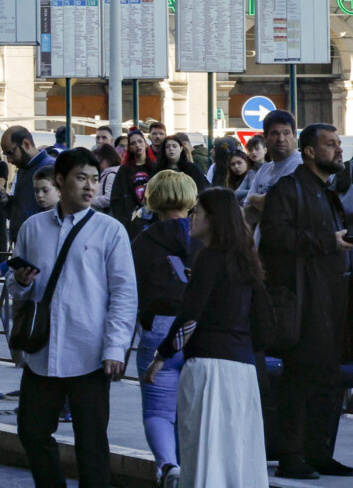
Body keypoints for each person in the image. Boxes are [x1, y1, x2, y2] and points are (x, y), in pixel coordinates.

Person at [6, 147, 138, 488]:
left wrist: (115, 347)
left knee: (92, 444)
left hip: (90, 353)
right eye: (82, 178)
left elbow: (124, 293)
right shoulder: (33, 228)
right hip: (42, 352)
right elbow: (16, 287)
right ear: (61, 180)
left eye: (95, 179)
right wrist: (19, 283)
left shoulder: (111, 231)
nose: (90, 187)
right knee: (32, 432)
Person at [144, 187, 269, 488]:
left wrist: (160, 357)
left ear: (213, 219)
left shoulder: (209, 259)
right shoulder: (246, 261)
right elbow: (264, 322)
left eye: (197, 211)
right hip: (242, 369)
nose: (191, 216)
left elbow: (189, 318)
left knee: (204, 451)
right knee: (237, 453)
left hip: (209, 368)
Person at [259, 123, 353, 479]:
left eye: (337, 144)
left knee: (328, 380)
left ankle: (319, 452)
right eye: (330, 145)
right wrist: (327, 241)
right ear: (310, 151)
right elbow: (275, 236)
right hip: (303, 300)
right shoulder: (290, 188)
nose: (338, 150)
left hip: (332, 299)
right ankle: (293, 455)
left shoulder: (327, 191)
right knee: (300, 378)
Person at [131, 170, 199, 485]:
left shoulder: (143, 240)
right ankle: (194, 471)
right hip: (198, 329)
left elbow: (130, 290)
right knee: (194, 414)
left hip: (157, 329)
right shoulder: (204, 237)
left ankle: (170, 467)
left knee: (159, 412)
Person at [242, 110, 301, 231]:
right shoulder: (264, 169)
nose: (281, 139)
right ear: (265, 137)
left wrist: (254, 198)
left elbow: (280, 205)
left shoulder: (300, 165)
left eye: (286, 133)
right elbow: (248, 212)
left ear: (294, 136)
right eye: (275, 133)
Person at [0, 125, 56, 246]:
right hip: (24, 241)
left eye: (10, 153)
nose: (9, 160)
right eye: (6, 155)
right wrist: (5, 200)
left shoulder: (49, 166)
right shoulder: (23, 168)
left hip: (40, 243)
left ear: (26, 144)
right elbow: (23, 205)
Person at [110, 129, 155, 235]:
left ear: (145, 143)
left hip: (153, 221)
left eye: (140, 141)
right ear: (130, 147)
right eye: (133, 143)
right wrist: (124, 221)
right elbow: (116, 197)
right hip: (131, 224)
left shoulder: (155, 167)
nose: (137, 145)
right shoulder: (124, 170)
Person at [90, 143, 120, 215]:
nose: (98, 164)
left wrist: (90, 200)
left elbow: (108, 199)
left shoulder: (111, 175)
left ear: (108, 159)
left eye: (100, 161)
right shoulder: (108, 174)